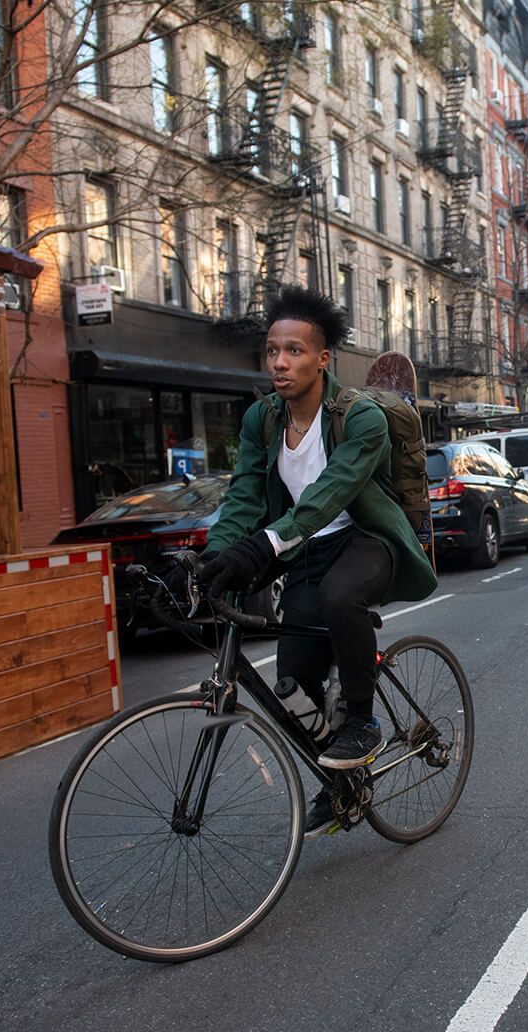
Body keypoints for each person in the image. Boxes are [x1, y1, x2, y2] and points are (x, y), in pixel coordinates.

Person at [197, 284, 437, 835]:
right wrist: (214, 557)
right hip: (305, 551)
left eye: (295, 351)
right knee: (291, 689)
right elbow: (243, 497)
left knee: (339, 597)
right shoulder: (262, 420)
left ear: (323, 358)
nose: (280, 362)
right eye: (272, 351)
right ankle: (342, 783)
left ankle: (363, 721)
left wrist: (266, 544)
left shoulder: (361, 420)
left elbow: (328, 493)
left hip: (366, 542)